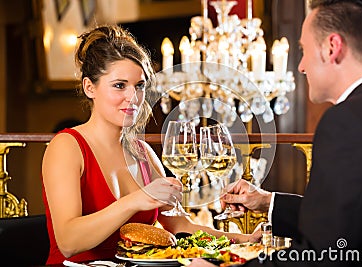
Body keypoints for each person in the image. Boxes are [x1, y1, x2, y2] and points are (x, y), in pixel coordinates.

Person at [190, 0, 362, 266]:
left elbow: (324, 254)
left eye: (304, 49)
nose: (301, 66)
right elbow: (355, 220)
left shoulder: (348, 121)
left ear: (332, 47)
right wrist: (268, 202)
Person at [41, 24, 258, 265]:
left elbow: (181, 226)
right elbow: (69, 243)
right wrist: (135, 200)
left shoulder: (142, 153)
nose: (133, 97)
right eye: (119, 85)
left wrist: (245, 240)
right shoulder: (66, 147)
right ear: (89, 87)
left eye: (140, 86)